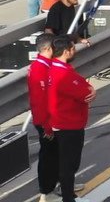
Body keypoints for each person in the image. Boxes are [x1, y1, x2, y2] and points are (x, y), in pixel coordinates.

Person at [48, 35, 94, 202]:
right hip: (69, 124)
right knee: (70, 163)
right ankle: (68, 197)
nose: (75, 50)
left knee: (63, 162)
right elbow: (86, 92)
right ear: (66, 51)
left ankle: (66, 192)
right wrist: (91, 90)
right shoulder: (64, 74)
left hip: (57, 122)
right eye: (73, 48)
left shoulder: (51, 68)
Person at [27, 34, 57, 202]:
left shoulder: (48, 65)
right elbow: (39, 101)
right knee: (48, 156)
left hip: (53, 119)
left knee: (58, 153)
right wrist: (46, 126)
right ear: (47, 48)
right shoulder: (39, 69)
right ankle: (46, 191)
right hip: (46, 121)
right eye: (55, 46)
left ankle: (60, 183)